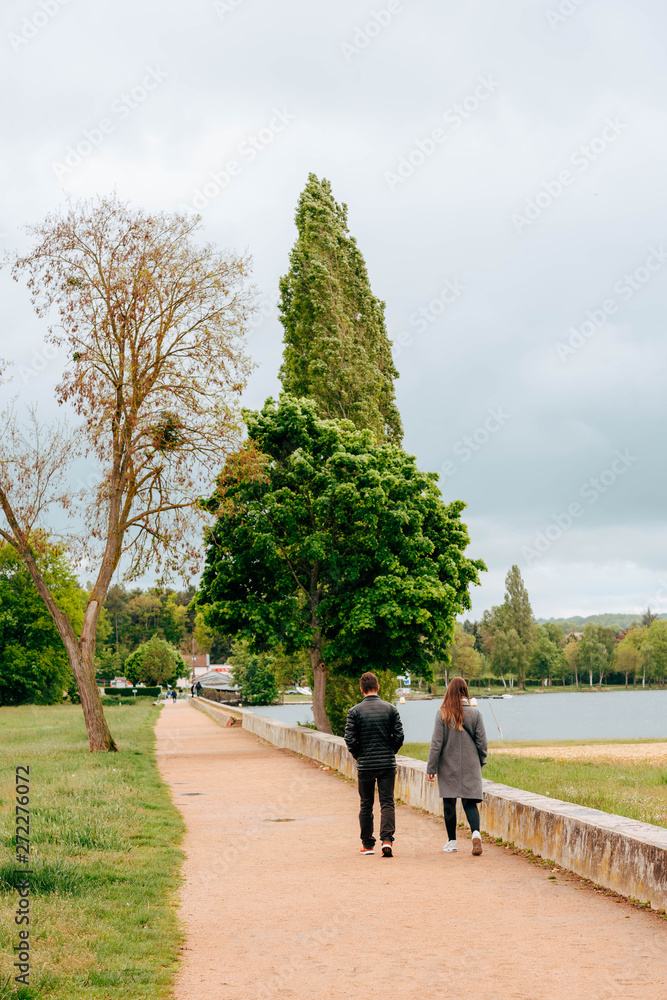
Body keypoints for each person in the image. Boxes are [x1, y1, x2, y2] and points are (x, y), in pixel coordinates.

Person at [344, 671, 404, 857]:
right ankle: (387, 840)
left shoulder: (354, 712)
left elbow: (349, 739)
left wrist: (358, 755)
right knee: (387, 802)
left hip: (365, 765)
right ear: (378, 687)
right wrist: (390, 752)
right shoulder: (391, 709)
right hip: (387, 763)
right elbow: (399, 736)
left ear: (361, 689)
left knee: (366, 804)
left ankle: (368, 844)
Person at [426, 676, 488, 856]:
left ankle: (452, 842)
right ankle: (475, 833)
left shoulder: (443, 713)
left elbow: (436, 743)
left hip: (448, 765)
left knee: (449, 802)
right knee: (470, 803)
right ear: (465, 691)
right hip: (471, 765)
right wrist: (481, 760)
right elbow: (482, 743)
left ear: (450, 691)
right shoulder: (476, 714)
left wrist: (431, 768)